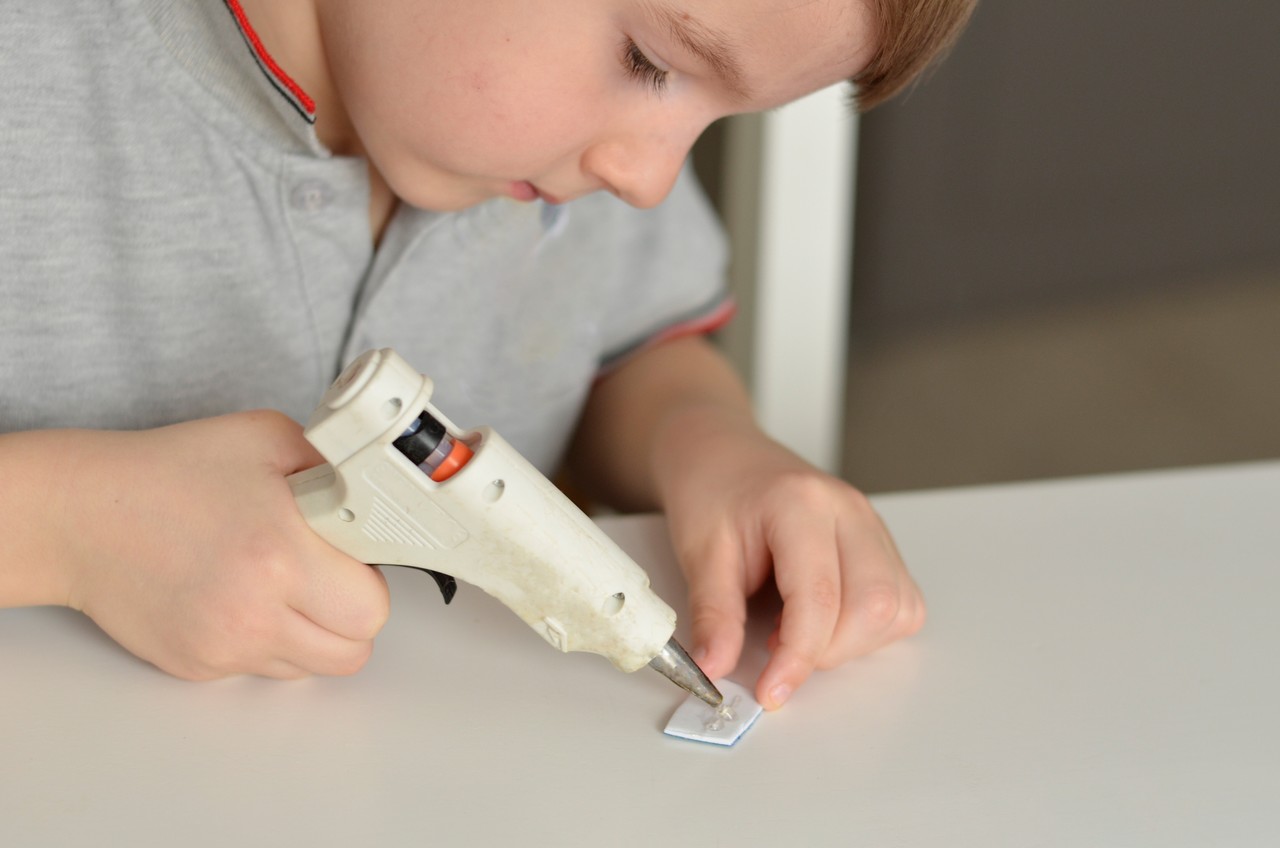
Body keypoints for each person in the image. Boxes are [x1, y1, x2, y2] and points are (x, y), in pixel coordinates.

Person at [0, 0, 973, 709]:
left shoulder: (558, 157)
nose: (647, 177)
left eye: (717, 117)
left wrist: (707, 440)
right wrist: (66, 526)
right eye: (645, 59)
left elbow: (628, 349)